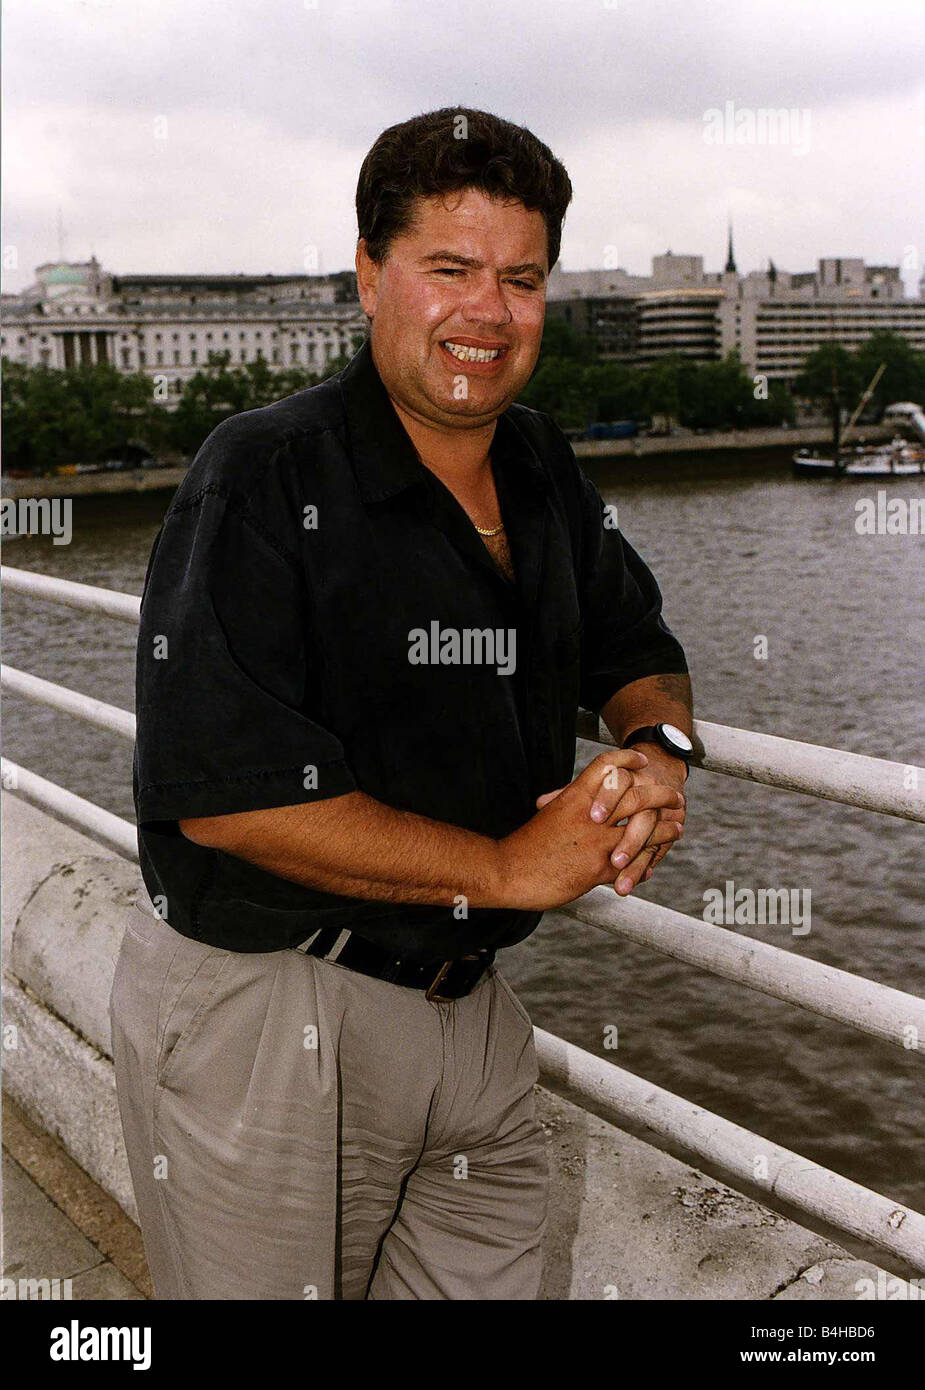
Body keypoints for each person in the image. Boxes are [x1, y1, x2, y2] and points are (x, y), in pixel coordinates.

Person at [110, 106, 693, 1301]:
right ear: (369, 275)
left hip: (471, 1015)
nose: (489, 311)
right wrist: (508, 866)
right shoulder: (262, 472)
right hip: (270, 1011)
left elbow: (636, 644)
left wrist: (656, 747)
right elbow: (228, 795)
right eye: (450, 269)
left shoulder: (537, 463)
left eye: (521, 279)